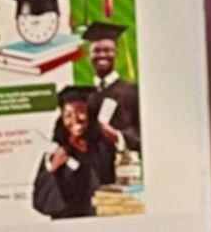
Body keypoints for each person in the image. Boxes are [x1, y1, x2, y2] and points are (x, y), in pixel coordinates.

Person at [33, 89, 119, 220]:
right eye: (68, 115)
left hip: (103, 221)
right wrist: (52, 168)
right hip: (68, 225)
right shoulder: (53, 154)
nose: (75, 119)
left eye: (81, 112)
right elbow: (41, 203)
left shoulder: (103, 148)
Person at [80, 21, 141, 159]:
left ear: (116, 54)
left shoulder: (132, 92)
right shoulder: (84, 95)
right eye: (96, 51)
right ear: (88, 56)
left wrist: (118, 137)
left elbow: (144, 134)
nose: (102, 55)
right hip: (94, 172)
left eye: (108, 50)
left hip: (124, 166)